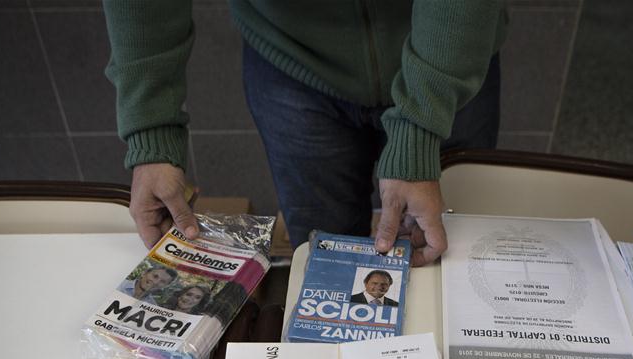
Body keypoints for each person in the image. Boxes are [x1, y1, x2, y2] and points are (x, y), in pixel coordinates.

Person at [104, 1, 508, 266]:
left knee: (444, 252)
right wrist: (151, 133)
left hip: (451, 52)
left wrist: (420, 126)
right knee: (324, 258)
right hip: (291, 58)